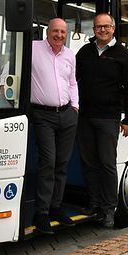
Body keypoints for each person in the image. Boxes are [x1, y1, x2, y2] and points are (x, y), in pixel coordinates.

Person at [75, 13, 128, 229]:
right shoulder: (84, 52)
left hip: (109, 118)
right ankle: (94, 203)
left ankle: (110, 209)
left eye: (106, 26)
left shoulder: (124, 55)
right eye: (98, 27)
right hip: (85, 117)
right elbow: (73, 81)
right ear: (93, 29)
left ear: (113, 28)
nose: (102, 30)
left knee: (107, 164)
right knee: (89, 163)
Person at [30, 18, 79, 234]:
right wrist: (5, 84)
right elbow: (11, 66)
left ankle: (56, 207)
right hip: (43, 115)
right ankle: (40, 213)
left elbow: (73, 82)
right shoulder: (33, 48)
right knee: (48, 162)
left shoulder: (69, 54)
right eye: (55, 31)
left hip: (67, 115)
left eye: (62, 32)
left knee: (61, 163)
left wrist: (75, 106)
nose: (59, 35)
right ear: (47, 32)